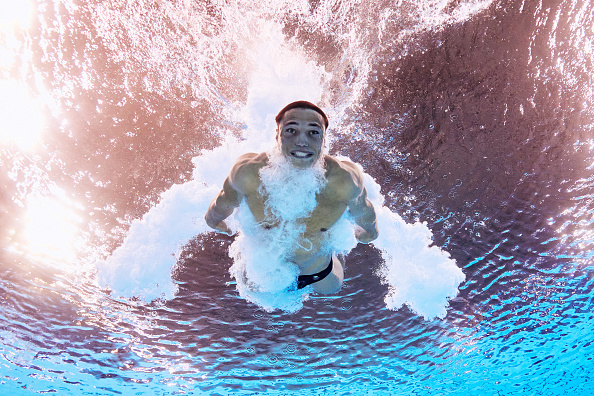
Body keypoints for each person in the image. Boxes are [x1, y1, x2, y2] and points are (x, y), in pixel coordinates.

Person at [205, 101, 378, 294]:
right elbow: (220, 205)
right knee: (248, 289)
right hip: (264, 270)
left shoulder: (344, 181)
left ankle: (334, 255)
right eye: (291, 131)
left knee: (331, 290)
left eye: (313, 132)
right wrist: (214, 221)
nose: (301, 141)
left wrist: (370, 232)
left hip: (318, 271)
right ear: (277, 134)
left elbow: (366, 213)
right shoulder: (248, 174)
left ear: (324, 139)